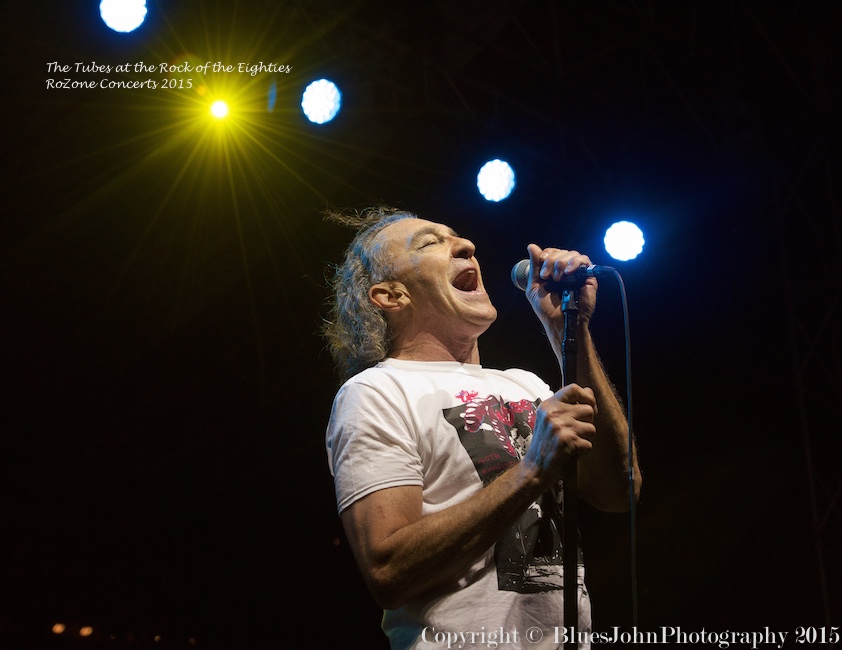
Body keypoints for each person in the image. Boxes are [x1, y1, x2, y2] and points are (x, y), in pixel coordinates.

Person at [323, 206, 641, 649]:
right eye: (431, 242)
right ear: (391, 296)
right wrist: (531, 470)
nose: (467, 246)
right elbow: (388, 572)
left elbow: (619, 491)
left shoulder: (525, 383)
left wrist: (568, 329)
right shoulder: (376, 391)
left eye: (457, 236)